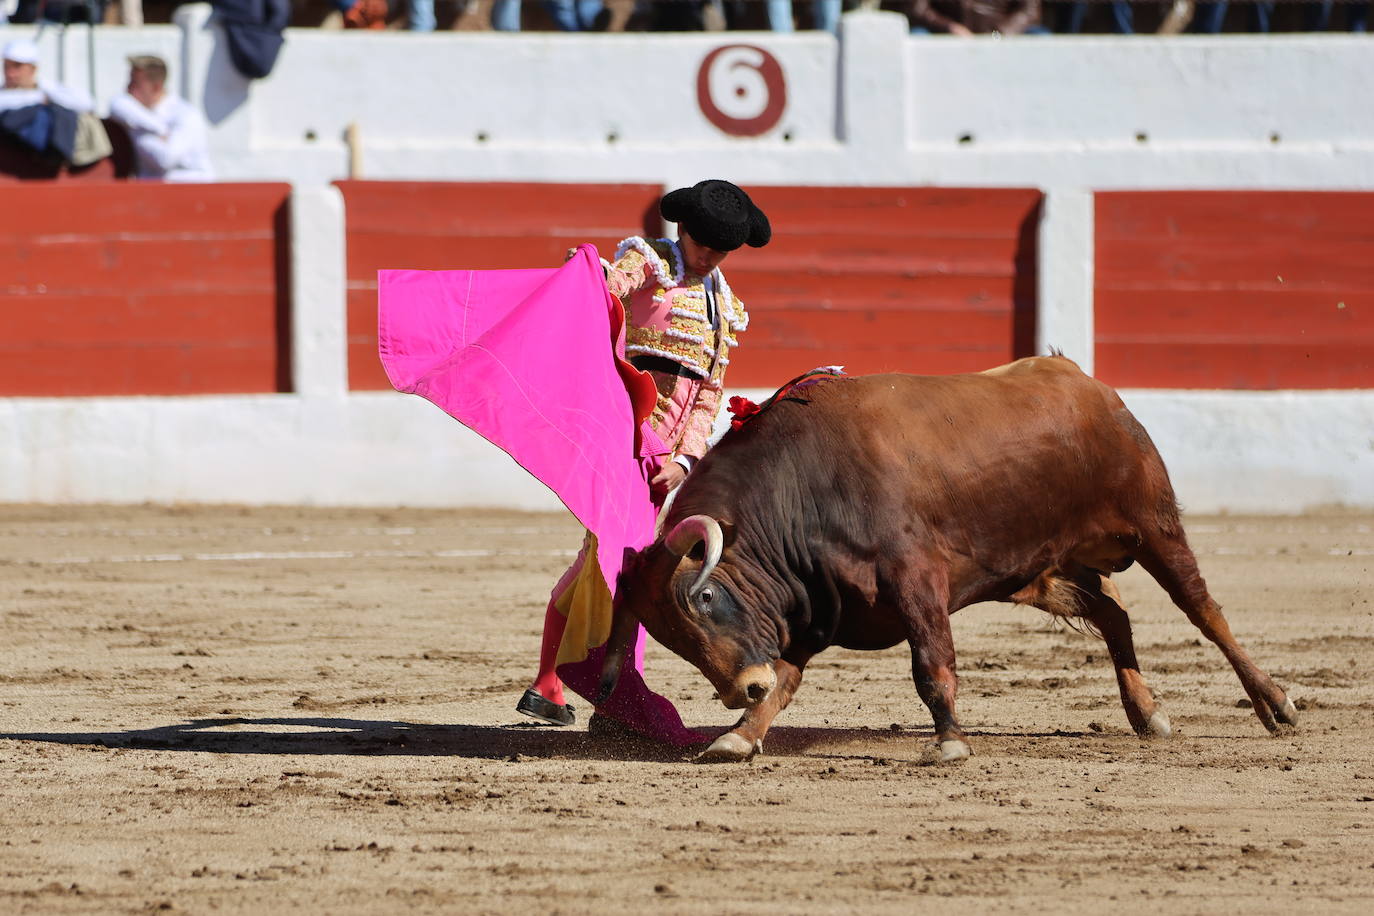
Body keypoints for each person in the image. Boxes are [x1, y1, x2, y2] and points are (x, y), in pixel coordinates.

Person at [516, 180, 772, 745]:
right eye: (702, 244)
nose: (706, 257)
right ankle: (609, 688)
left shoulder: (723, 306)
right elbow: (610, 287)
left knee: (608, 560)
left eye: (719, 251)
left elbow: (709, 393)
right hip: (624, 439)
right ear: (684, 231)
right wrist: (590, 280)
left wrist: (685, 458)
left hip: (665, 461)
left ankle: (555, 682)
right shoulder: (652, 261)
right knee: (621, 564)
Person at [107, 55, 214, 182]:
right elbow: (116, 104)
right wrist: (159, 130)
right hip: (151, 194)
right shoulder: (138, 116)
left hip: (192, 193)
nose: (128, 88)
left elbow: (165, 159)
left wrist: (137, 130)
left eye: (135, 83)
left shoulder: (186, 115)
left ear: (156, 87)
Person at [0, 38, 94, 114]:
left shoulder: (48, 88)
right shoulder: (42, 94)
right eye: (6, 66)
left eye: (17, 66)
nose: (10, 73)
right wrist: (38, 98)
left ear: (33, 69)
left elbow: (86, 103)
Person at [907, 0, 1048, 34]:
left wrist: (998, 33)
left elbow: (1029, 12)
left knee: (1042, 39)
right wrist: (950, 27)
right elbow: (918, 9)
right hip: (943, 32)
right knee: (918, 36)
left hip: (1001, 33)